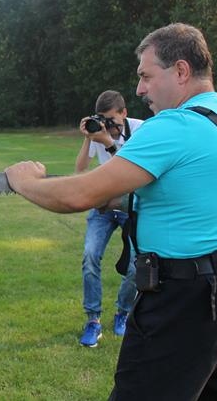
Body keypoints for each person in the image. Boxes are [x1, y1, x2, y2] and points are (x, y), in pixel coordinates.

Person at [5, 23, 217, 400]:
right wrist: (117, 199)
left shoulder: (176, 124)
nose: (140, 89)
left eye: (146, 76)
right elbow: (195, 196)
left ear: (181, 71)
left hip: (185, 297)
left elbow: (77, 195)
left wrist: (24, 181)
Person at [74, 90, 142, 347]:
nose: (109, 125)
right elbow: (80, 169)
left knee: (136, 265)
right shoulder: (99, 132)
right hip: (103, 206)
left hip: (131, 206)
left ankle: (123, 312)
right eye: (103, 119)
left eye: (112, 119)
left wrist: (108, 141)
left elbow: (130, 170)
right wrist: (89, 138)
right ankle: (93, 320)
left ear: (124, 113)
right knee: (90, 256)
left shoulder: (141, 129)